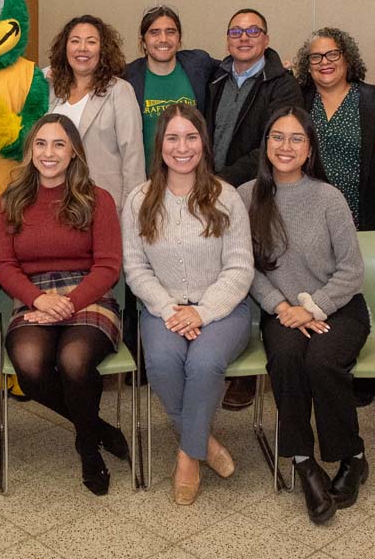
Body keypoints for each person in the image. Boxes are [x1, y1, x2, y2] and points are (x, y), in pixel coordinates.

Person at [240, 107, 369, 524]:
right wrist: (283, 308)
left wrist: (311, 308)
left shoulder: (329, 198)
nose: (286, 146)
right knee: (287, 357)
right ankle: (302, 460)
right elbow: (246, 269)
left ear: (310, 148)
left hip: (339, 306)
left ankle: (352, 456)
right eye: (278, 137)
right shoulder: (246, 197)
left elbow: (352, 271)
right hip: (280, 310)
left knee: (322, 359)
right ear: (266, 144)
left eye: (297, 139)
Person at [122, 104, 253, 505]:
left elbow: (240, 267)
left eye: (191, 137)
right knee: (161, 362)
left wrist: (202, 311)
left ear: (204, 143)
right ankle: (206, 442)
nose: (182, 147)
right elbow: (135, 268)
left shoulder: (226, 196)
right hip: (163, 309)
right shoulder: (138, 200)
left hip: (224, 309)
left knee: (203, 364)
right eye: (173, 138)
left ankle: (188, 457)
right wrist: (169, 309)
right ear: (159, 144)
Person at [0, 114, 126, 495]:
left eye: (59, 145)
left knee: (74, 359)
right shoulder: (11, 200)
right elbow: (3, 264)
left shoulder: (97, 198)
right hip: (33, 296)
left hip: (89, 293)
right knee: (30, 365)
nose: (48, 153)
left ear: (73, 153)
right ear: (30, 150)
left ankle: (87, 447)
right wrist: (38, 299)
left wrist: (68, 302)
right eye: (41, 144)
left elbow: (108, 266)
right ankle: (96, 427)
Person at [205, 7, 302, 410]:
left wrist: (222, 181)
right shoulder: (214, 77)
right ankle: (222, 360)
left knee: (255, 270)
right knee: (221, 271)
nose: (244, 38)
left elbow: (272, 144)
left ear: (266, 38)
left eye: (253, 31)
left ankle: (246, 371)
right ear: (227, 38)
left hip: (257, 193)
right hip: (210, 195)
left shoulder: (282, 84)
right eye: (236, 31)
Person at [293, 27, 375, 407]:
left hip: (360, 213)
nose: (324, 63)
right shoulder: (299, 101)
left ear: (348, 58)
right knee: (318, 288)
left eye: (332, 54)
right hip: (310, 219)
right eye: (315, 57)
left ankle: (358, 369)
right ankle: (322, 363)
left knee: (359, 292)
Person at [47, 15, 144, 212]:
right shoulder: (52, 90)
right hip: (55, 204)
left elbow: (133, 157)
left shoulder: (120, 91)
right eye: (75, 41)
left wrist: (132, 212)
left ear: (103, 49)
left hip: (101, 205)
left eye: (91, 42)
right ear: (65, 48)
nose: (82, 48)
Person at [121, 5, 217, 166]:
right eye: (154, 32)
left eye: (170, 32)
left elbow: (235, 68)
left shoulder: (198, 65)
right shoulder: (128, 78)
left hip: (195, 177)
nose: (163, 39)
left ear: (179, 39)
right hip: (147, 180)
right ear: (143, 42)